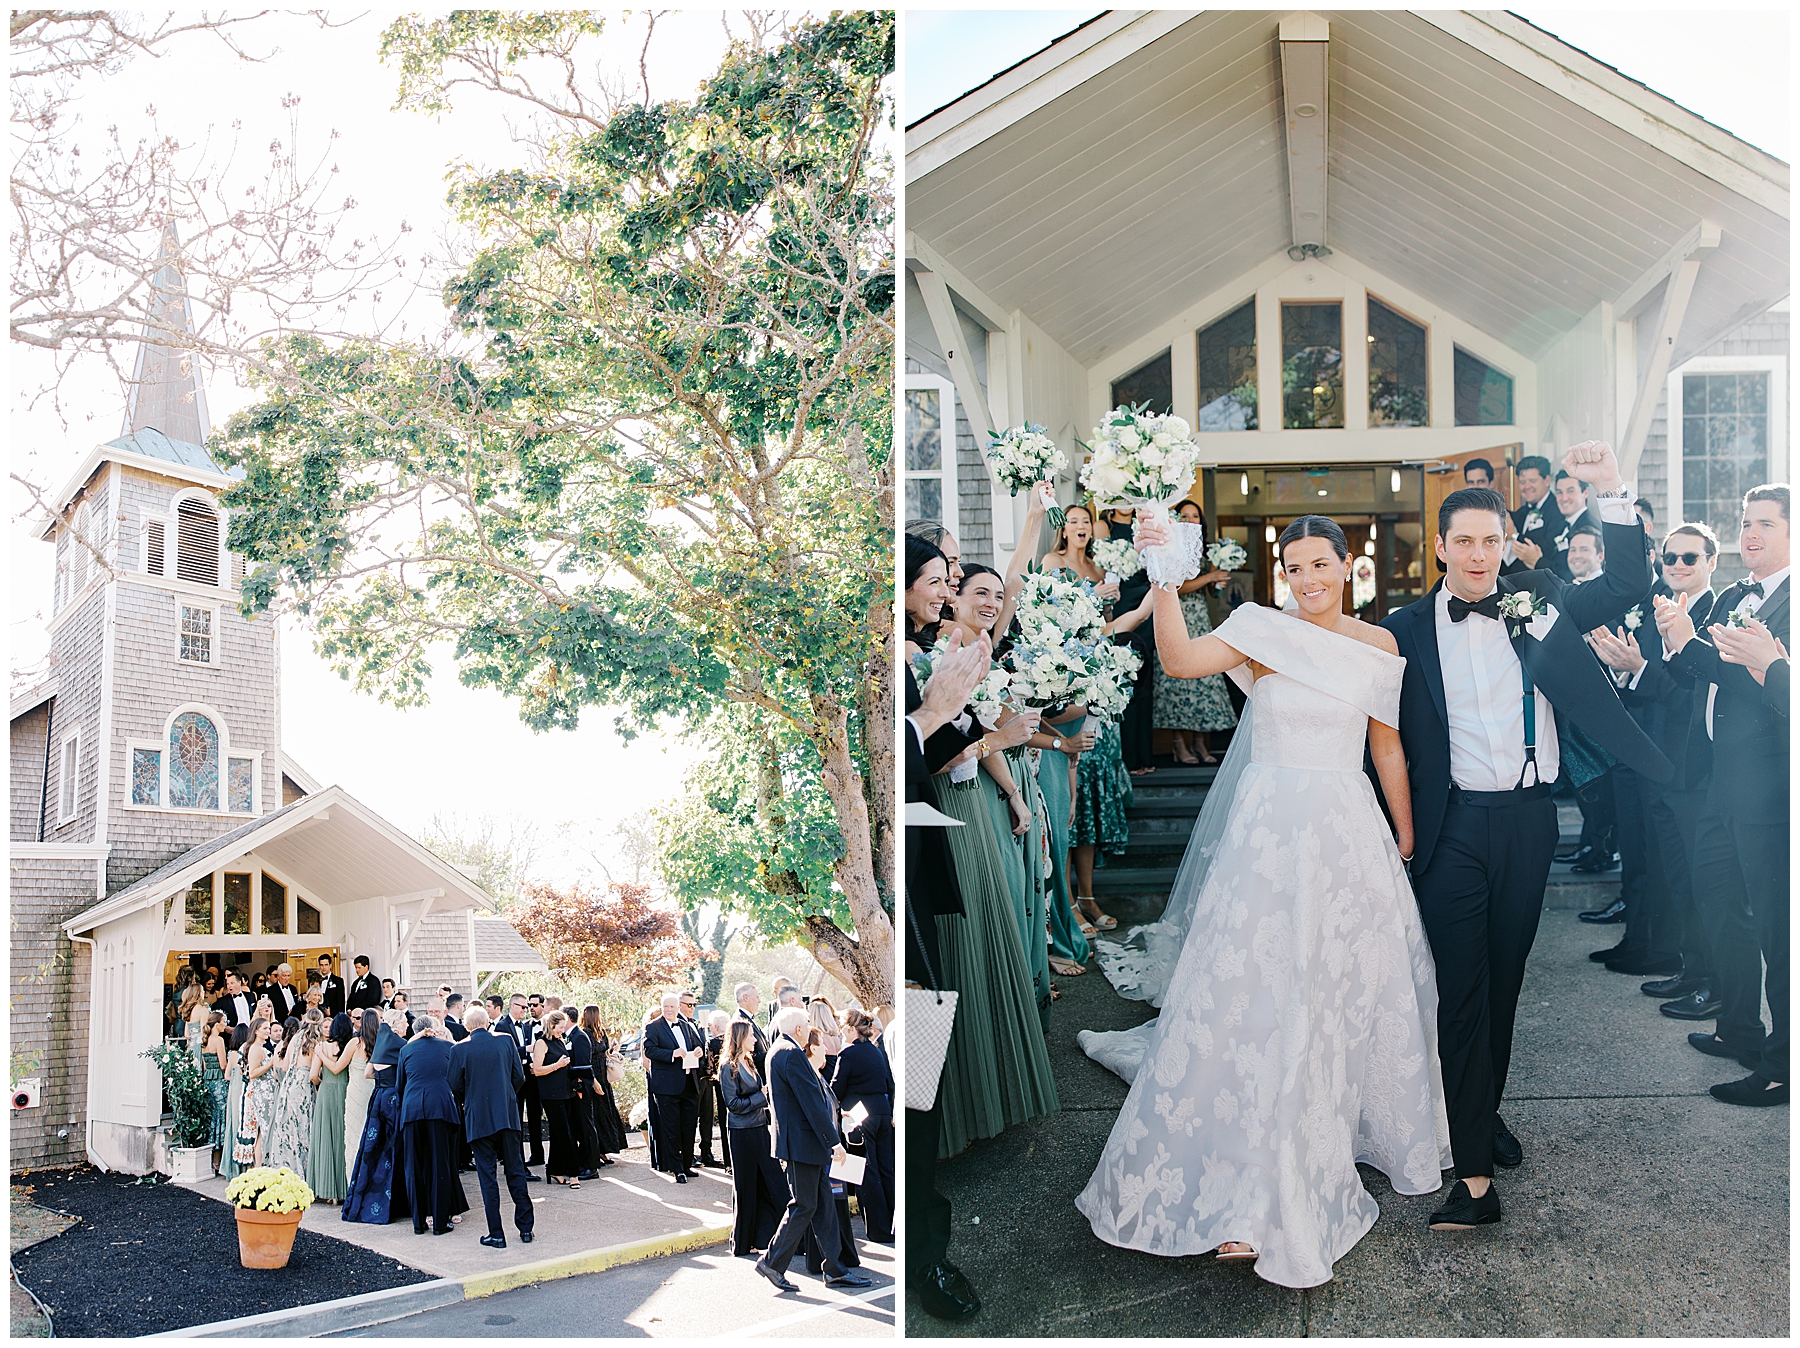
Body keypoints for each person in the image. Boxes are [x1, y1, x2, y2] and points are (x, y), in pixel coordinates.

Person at [1077, 512, 1449, 1287]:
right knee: (1256, 993)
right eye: (1295, 566)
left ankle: (1333, 1128)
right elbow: (1177, 661)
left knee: (1340, 987)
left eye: (1321, 564)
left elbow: (1387, 746)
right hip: (1268, 837)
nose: (1308, 579)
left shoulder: (1380, 646)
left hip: (1346, 831)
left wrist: (1405, 839)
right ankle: (1251, 1173)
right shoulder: (1258, 629)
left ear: (1348, 565)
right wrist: (1165, 576)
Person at [1381, 448, 1670, 1230]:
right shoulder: (1402, 627)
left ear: (1508, 544)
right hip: (1452, 828)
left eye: (1491, 542)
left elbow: (1625, 586)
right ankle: (1472, 1175)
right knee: (1461, 988)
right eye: (1464, 542)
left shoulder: (1538, 598)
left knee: (1503, 980)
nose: (1479, 556)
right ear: (1439, 547)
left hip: (1528, 821)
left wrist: (1610, 490)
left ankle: (1480, 1111)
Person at [1655, 483, 1790, 1105]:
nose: (1751, 534)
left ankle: (1783, 1064)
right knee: (1720, 908)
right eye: (1745, 522)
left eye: (1764, 522)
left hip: (1767, 789)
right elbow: (1695, 669)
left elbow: (1753, 681)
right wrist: (1671, 640)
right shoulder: (1735, 595)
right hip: (1714, 783)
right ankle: (1739, 1030)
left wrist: (1753, 661)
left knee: (1776, 930)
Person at [1592, 524, 1722, 1014]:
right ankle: (1689, 969)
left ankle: (1708, 978)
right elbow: (1658, 679)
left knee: (1698, 881)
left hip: (1695, 768)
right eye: (1670, 558)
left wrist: (1641, 669)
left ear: (1711, 560)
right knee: (1672, 874)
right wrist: (1629, 667)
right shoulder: (1660, 608)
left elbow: (1691, 695)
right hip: (1659, 758)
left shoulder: (1716, 612)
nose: (1678, 566)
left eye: (1690, 558)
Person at [903, 612, 991, 1321]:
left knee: (921, 1086)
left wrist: (962, 714)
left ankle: (926, 1256)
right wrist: (932, 712)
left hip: (914, 902)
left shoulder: (912, 655)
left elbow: (922, 756)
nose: (951, 587)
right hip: (875, 906)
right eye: (939, 575)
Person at [753, 1007, 873, 1295]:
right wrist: (833, 1142)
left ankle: (834, 1269)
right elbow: (809, 1101)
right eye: (806, 1023)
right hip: (803, 1145)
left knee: (822, 1207)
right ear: (797, 1029)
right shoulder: (790, 1053)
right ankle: (771, 1261)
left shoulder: (779, 1051)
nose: (809, 1027)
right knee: (804, 1205)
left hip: (803, 1144)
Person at [1151, 499, 1238, 766]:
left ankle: (1200, 743)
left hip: (1200, 618)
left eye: (1195, 516)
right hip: (1178, 617)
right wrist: (1209, 578)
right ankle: (1179, 744)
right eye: (1184, 516)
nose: (1190, 520)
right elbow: (1176, 587)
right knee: (1178, 682)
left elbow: (1210, 592)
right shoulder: (1170, 549)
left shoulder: (1202, 552)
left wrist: (1218, 579)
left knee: (1203, 679)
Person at [450, 1005, 535, 1249]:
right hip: (506, 1115)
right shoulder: (506, 1042)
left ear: (467, 1026)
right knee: (515, 1170)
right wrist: (506, 1096)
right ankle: (526, 1228)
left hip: (479, 1118)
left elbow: (455, 1085)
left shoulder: (459, 1049)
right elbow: (518, 1076)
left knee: (487, 1177)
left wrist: (470, 1100)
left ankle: (496, 1233)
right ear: (487, 1022)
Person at [719, 1019, 787, 1257]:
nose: (755, 1039)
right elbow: (733, 1105)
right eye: (751, 1036)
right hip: (741, 1133)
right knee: (746, 1186)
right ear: (740, 1038)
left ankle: (779, 1237)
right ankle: (744, 1240)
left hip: (759, 1128)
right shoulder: (728, 1067)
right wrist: (762, 1096)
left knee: (773, 1182)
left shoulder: (748, 1062)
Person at [396, 1014, 469, 1234]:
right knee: (441, 1165)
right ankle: (439, 1222)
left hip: (413, 1108)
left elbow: (400, 1085)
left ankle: (418, 1223)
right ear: (435, 1028)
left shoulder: (406, 1051)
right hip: (440, 1108)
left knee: (414, 1166)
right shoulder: (449, 1047)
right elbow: (457, 1081)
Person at [829, 1010, 893, 1245]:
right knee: (886, 1168)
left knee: (866, 1171)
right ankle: (892, 1222)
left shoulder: (848, 1053)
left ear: (850, 1029)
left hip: (858, 1118)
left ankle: (878, 1229)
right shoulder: (875, 1051)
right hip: (881, 1112)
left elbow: (836, 1088)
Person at [344, 1009, 410, 1225]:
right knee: (394, 1149)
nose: (407, 1027)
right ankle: (396, 1202)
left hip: (378, 1097)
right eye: (405, 1024)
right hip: (393, 1099)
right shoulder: (399, 1046)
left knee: (374, 1148)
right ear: (398, 1026)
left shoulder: (380, 1045)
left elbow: (367, 1073)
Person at [643, 991, 703, 1182]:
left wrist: (698, 1051)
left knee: (689, 1126)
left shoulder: (685, 1025)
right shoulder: (653, 1027)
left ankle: (686, 1164)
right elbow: (650, 1050)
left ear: (678, 1008)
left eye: (672, 1007)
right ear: (662, 1008)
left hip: (688, 1083)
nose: (669, 1010)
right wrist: (672, 1054)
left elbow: (694, 1047)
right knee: (671, 1128)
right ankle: (677, 1169)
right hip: (666, 1087)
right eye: (666, 1007)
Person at [308, 1013, 354, 1204]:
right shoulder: (352, 1046)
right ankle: (344, 1187)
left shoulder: (322, 1047)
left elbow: (312, 1075)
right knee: (343, 1137)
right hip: (345, 1091)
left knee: (326, 1137)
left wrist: (322, 1082)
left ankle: (328, 1190)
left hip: (327, 1091)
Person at [532, 1010, 580, 1186]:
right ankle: (574, 1173)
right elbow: (537, 1070)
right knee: (564, 1133)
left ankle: (554, 1169)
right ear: (551, 1026)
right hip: (551, 1094)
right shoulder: (541, 1043)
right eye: (560, 1027)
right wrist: (556, 1065)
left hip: (566, 1091)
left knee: (558, 1132)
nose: (562, 1030)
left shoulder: (560, 1041)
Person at [582, 1006, 628, 1165]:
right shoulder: (585, 1035)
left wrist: (613, 1050)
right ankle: (598, 1151)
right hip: (594, 1076)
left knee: (606, 1112)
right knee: (596, 1114)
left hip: (603, 1076)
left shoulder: (601, 1033)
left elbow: (605, 1053)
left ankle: (605, 1150)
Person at [342, 1009, 378, 1183]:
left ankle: (353, 1182)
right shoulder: (379, 1042)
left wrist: (321, 1054)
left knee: (354, 1135)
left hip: (356, 1091)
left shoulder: (355, 1043)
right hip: (373, 1090)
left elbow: (338, 1066)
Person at [235, 1019, 273, 1172]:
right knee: (259, 1132)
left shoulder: (259, 1048)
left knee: (261, 1132)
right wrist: (271, 1063)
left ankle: (258, 1166)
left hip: (262, 1092)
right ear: (256, 1031)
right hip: (256, 1093)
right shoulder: (256, 1049)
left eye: (268, 1028)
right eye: (264, 1028)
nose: (268, 1031)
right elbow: (253, 1073)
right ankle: (258, 1167)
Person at [699, 1009, 731, 1170]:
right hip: (736, 1084)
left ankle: (728, 1161)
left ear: (717, 1027)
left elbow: (709, 1069)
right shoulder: (734, 1041)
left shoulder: (712, 1043)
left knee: (725, 1122)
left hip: (720, 1086)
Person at [201, 1011, 229, 1174]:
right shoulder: (218, 1040)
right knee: (220, 1115)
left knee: (211, 1116)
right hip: (218, 1079)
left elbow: (205, 1065)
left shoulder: (205, 1041)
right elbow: (223, 1065)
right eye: (224, 1021)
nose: (225, 1024)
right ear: (217, 1024)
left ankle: (212, 1158)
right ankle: (218, 1159)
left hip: (208, 1079)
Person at [223, 1023, 250, 1181]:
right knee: (241, 1124)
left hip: (233, 1089)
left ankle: (230, 1166)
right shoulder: (245, 1052)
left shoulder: (232, 1054)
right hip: (242, 1089)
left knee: (232, 1124)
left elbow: (226, 1076)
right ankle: (241, 1166)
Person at [316, 954, 345, 1019]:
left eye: (326, 965)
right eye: (321, 965)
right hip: (318, 1016)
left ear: (330, 965)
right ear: (319, 966)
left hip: (333, 1016)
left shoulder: (338, 981)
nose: (324, 967)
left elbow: (341, 1001)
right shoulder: (315, 981)